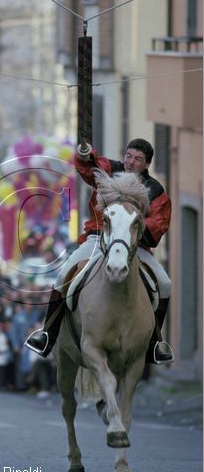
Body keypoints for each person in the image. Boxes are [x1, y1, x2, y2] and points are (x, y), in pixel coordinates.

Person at [26, 138, 174, 365]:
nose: (131, 162)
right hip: (98, 238)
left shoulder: (155, 190)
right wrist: (86, 154)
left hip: (133, 244)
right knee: (62, 275)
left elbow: (157, 222)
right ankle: (47, 334)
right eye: (128, 156)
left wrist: (132, 231)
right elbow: (91, 166)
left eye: (138, 159)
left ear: (147, 164)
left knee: (164, 283)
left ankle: (155, 343)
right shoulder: (110, 171)